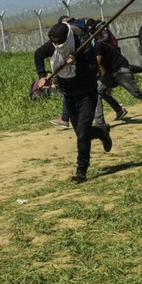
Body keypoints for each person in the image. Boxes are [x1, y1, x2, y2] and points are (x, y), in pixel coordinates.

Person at [34, 22, 112, 183]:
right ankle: (101, 132)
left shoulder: (84, 45)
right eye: (54, 42)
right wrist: (43, 75)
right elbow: (38, 55)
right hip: (69, 95)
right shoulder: (54, 46)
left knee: (82, 133)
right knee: (81, 133)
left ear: (67, 38)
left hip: (87, 95)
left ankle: (81, 171)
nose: (56, 45)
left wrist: (76, 62)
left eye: (59, 42)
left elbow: (92, 69)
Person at [93, 38, 142, 127]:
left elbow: (97, 64)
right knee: (97, 92)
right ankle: (99, 123)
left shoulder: (98, 45)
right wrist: (107, 84)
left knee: (137, 93)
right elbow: (102, 68)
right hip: (110, 74)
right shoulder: (94, 48)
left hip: (121, 70)